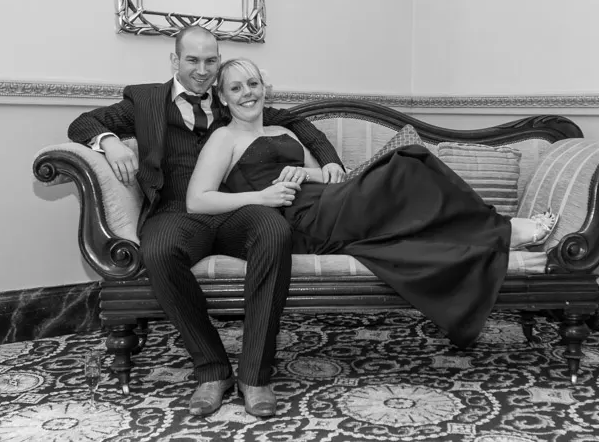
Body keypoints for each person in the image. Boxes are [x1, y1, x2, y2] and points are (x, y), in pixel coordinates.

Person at [186, 58, 560, 354]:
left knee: (413, 166)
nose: (247, 93)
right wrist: (262, 196)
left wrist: (303, 173)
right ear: (222, 97)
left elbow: (332, 177)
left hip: (327, 199)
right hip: (297, 221)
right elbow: (196, 200)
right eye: (236, 88)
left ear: (264, 89)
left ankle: (497, 232)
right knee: (409, 161)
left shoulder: (284, 131)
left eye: (253, 84)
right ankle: (504, 230)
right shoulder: (224, 138)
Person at [67, 27, 345, 418]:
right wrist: (111, 142)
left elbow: (295, 122)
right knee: (159, 250)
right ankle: (212, 369)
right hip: (178, 211)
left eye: (210, 61)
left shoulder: (230, 96)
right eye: (192, 60)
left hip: (236, 207)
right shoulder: (145, 100)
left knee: (274, 231)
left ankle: (255, 375)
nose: (202, 70)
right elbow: (82, 124)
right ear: (175, 60)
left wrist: (329, 159)